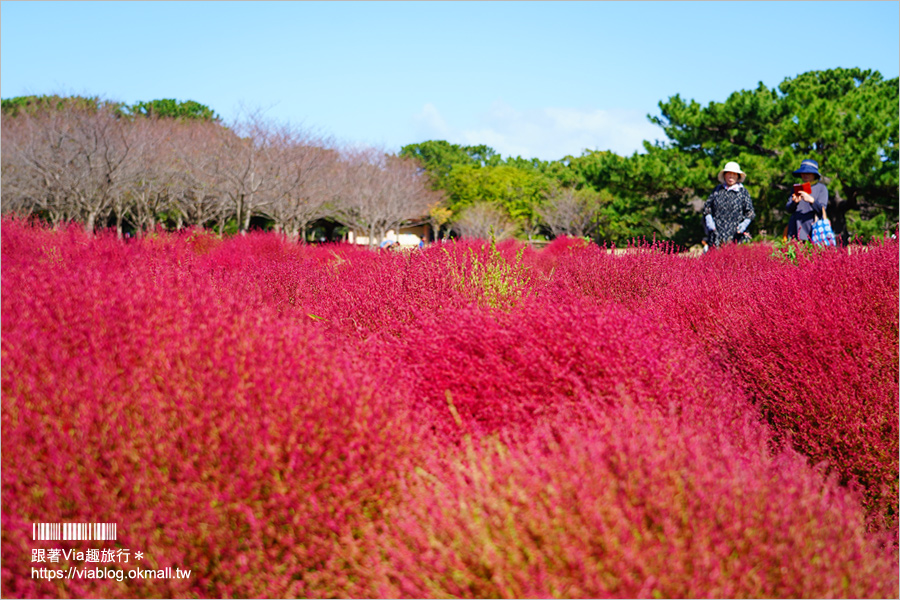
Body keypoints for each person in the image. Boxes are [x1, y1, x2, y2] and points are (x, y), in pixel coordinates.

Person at [702, 161, 755, 248]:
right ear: (724, 175)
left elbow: (750, 212)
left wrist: (744, 224)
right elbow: (707, 207)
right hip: (717, 235)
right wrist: (709, 221)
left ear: (738, 176)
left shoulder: (743, 192)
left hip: (736, 236)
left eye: (734, 174)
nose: (731, 176)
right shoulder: (717, 190)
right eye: (728, 174)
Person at [785, 158, 828, 241]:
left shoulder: (821, 188)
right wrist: (794, 203)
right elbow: (788, 209)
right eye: (803, 173)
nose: (805, 175)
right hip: (795, 229)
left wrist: (811, 200)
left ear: (814, 174)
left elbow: (822, 210)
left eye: (808, 173)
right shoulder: (796, 188)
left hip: (813, 230)